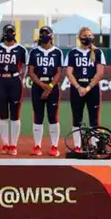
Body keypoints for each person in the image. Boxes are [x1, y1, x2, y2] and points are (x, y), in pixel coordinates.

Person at [66, 26, 105, 152]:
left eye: (89, 36)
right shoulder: (73, 53)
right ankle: (78, 145)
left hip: (92, 89)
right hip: (77, 89)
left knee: (94, 118)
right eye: (84, 36)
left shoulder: (98, 52)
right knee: (77, 117)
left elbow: (99, 73)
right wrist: (78, 87)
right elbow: (69, 72)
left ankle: (94, 145)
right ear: (79, 38)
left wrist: (88, 87)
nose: (87, 38)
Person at [28, 25, 64, 156]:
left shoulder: (57, 52)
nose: (44, 36)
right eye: (42, 33)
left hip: (52, 86)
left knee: (53, 116)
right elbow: (31, 72)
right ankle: (37, 145)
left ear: (51, 36)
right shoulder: (34, 52)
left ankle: (54, 146)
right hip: (38, 86)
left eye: (46, 33)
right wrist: (42, 85)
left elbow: (59, 72)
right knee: (38, 116)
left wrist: (50, 86)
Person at [0, 24, 27, 155]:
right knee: (3, 114)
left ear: (15, 33)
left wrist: (19, 77)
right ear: (4, 33)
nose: (10, 34)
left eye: (12, 32)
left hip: (14, 81)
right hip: (0, 80)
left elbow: (25, 67)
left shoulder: (21, 49)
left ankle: (13, 145)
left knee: (15, 114)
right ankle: (5, 143)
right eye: (8, 32)